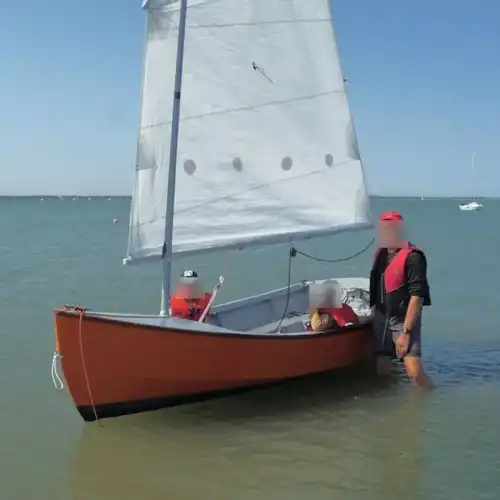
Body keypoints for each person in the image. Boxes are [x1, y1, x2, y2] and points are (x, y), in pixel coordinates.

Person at [369, 210, 434, 389]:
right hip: (382, 317)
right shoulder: (381, 253)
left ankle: (429, 398)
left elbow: (417, 297)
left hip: (403, 319)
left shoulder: (413, 257)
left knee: (414, 371)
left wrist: (405, 332)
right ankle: (391, 409)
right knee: (382, 368)